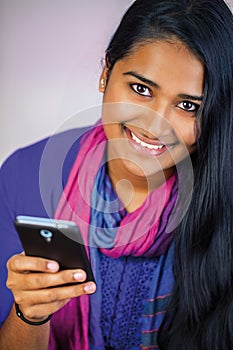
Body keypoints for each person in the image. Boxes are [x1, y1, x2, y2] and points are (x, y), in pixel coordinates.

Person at [0, 0, 232, 349]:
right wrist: (30, 314)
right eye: (141, 89)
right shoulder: (24, 176)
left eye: (188, 106)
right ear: (106, 73)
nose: (155, 126)